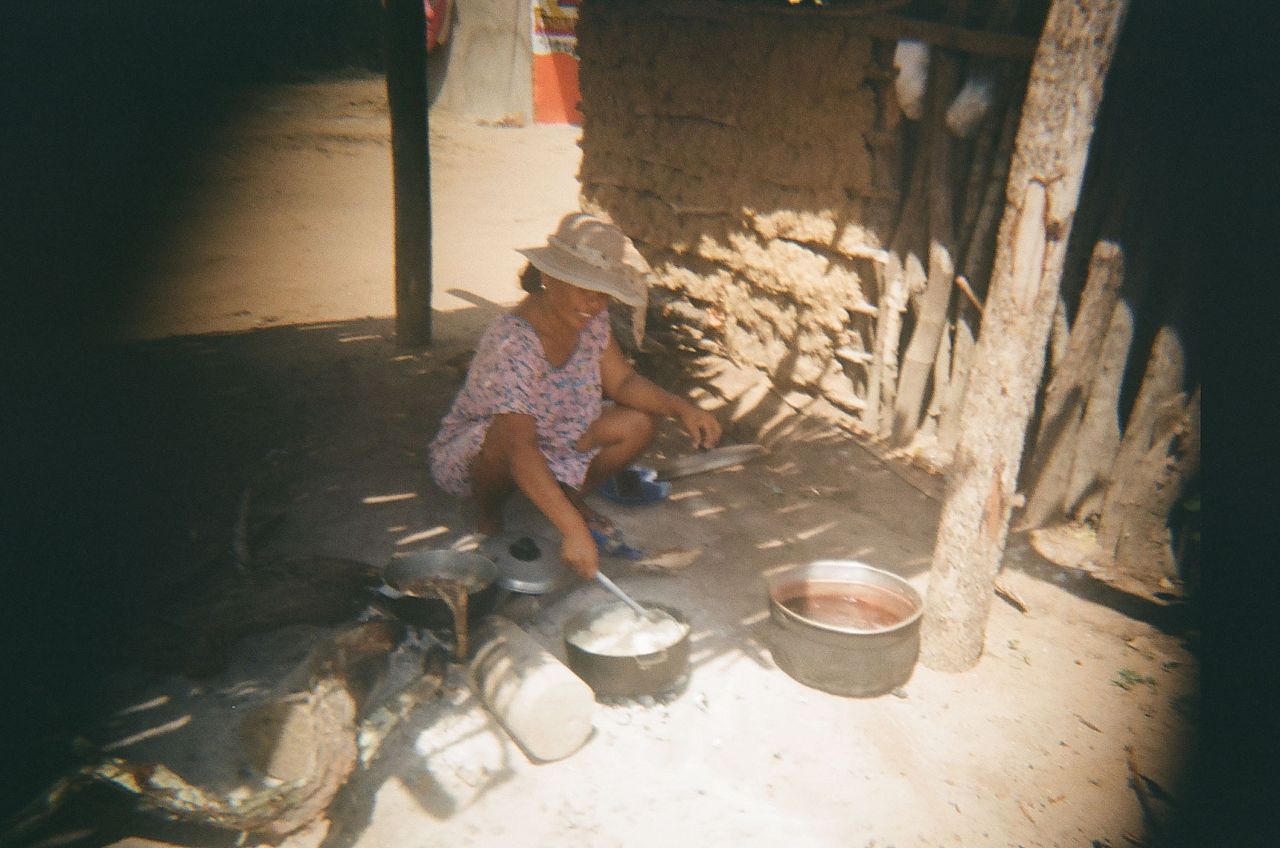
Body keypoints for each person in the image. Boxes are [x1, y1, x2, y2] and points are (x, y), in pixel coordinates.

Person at [429, 212, 722, 580]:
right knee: (506, 438)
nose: (594, 304)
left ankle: (567, 496)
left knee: (640, 421)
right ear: (550, 278)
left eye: (602, 294)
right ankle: (489, 514)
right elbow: (519, 447)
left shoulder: (591, 320)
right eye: (584, 289)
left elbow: (623, 383)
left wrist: (681, 408)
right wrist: (573, 532)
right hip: (485, 447)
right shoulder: (514, 342)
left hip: (557, 433)